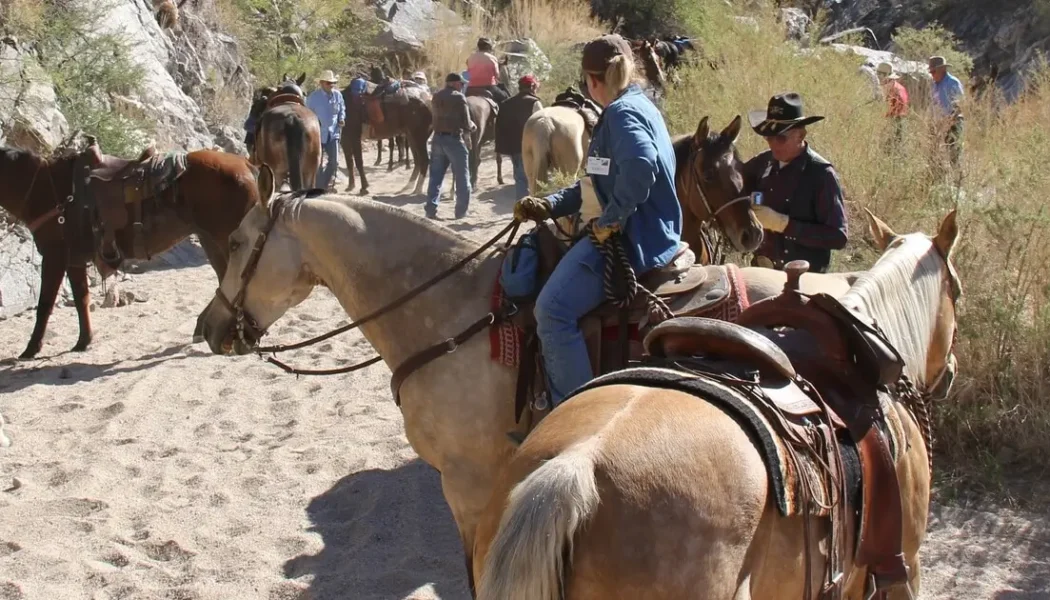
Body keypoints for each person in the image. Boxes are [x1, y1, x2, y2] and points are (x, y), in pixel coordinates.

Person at [512, 34, 682, 407]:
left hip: (632, 238)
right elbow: (595, 182)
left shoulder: (621, 115)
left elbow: (640, 166)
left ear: (591, 81)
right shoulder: (638, 104)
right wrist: (548, 205)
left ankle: (575, 415)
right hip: (651, 230)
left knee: (551, 312)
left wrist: (612, 219)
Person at [743, 92, 848, 273]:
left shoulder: (821, 174)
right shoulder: (762, 163)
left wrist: (785, 225)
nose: (773, 144)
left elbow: (838, 237)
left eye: (781, 138)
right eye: (769, 137)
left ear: (800, 135)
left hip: (805, 279)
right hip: (763, 272)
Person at [427, 73, 476, 219]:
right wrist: (473, 127)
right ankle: (460, 212)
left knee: (435, 177)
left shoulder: (436, 96)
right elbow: (466, 123)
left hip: (437, 138)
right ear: (455, 84)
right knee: (462, 177)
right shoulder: (459, 97)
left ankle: (430, 210)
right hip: (454, 139)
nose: (462, 86)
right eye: (461, 84)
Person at [495, 75, 543, 200]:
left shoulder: (506, 103)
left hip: (514, 147)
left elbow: (500, 126)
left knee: (520, 177)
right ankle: (528, 208)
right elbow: (542, 126)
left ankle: (522, 206)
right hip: (532, 147)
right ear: (532, 86)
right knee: (532, 178)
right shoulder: (534, 103)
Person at [305, 69, 346, 190]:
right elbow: (307, 115)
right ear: (322, 83)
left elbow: (342, 109)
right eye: (329, 83)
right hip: (317, 135)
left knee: (334, 163)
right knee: (317, 164)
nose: (331, 85)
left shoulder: (338, 95)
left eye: (333, 83)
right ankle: (320, 187)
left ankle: (322, 185)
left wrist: (342, 118)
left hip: (333, 134)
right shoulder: (313, 98)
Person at [929, 55, 964, 167]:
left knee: (954, 154)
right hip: (940, 123)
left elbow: (960, 105)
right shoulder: (935, 85)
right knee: (938, 154)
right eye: (930, 72)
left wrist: (949, 121)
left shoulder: (953, 82)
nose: (932, 75)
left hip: (953, 123)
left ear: (942, 70)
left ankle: (958, 181)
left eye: (933, 72)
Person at [465, 37, 509, 103]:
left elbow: (467, 74)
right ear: (488, 47)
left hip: (471, 87)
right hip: (489, 86)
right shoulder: (492, 58)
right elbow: (497, 75)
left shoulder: (470, 58)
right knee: (505, 98)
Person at [877, 62, 908, 144]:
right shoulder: (898, 87)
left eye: (879, 75)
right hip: (899, 121)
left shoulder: (894, 90)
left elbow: (890, 111)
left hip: (894, 122)